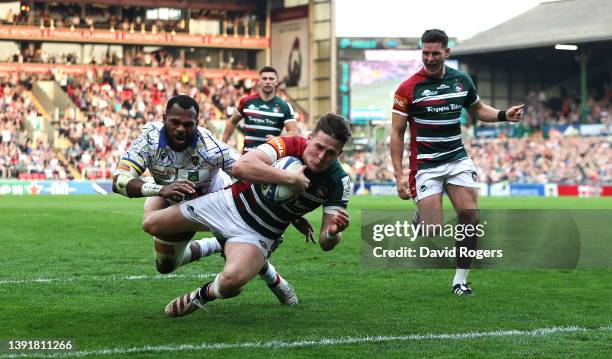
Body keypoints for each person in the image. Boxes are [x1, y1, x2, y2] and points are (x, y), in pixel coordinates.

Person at [142, 113, 352, 317]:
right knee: (152, 225)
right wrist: (290, 179)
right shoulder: (289, 144)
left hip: (259, 233)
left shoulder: (339, 182)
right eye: (319, 147)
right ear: (309, 138)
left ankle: (200, 295)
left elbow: (325, 242)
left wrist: (333, 233)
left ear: (339, 154)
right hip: (228, 204)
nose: (322, 156)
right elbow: (241, 167)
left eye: (331, 153)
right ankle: (221, 246)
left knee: (231, 282)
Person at [112, 94, 298, 305]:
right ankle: (217, 243)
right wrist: (161, 189)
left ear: (197, 123)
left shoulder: (211, 148)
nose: (181, 129)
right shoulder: (149, 138)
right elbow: (118, 180)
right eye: (174, 122)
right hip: (175, 201)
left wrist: (286, 209)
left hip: (218, 205)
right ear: (164, 118)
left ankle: (270, 275)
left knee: (234, 280)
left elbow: (247, 171)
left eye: (188, 124)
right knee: (165, 266)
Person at [390, 29, 524, 296]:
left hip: (456, 159)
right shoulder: (406, 89)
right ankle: (422, 214)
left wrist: (503, 115)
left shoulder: (461, 81)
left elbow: (478, 110)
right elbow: (396, 133)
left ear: (446, 53)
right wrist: (399, 175)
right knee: (431, 228)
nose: (429, 58)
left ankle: (460, 280)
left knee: (470, 215)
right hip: (426, 164)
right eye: (425, 53)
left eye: (435, 53)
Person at [222, 66, 299, 153]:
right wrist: (222, 144)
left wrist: (278, 139)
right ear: (259, 81)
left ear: (276, 81)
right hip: (247, 156)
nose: (268, 81)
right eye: (264, 78)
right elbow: (232, 121)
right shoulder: (246, 102)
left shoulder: (284, 106)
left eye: (271, 79)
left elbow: (294, 132)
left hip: (270, 157)